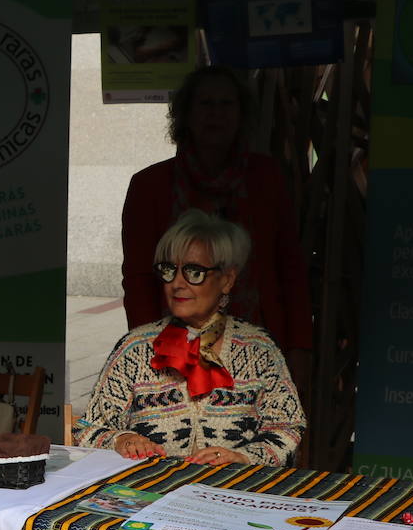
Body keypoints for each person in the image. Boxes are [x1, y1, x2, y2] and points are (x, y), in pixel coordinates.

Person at [119, 65, 313, 384]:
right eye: (206, 104)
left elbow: (289, 269)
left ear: (241, 115)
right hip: (176, 347)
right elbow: (139, 280)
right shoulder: (149, 186)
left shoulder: (266, 178)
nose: (216, 114)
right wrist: (153, 353)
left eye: (226, 104)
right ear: (186, 115)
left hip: (259, 345)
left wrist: (300, 348)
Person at [74, 209, 305, 466]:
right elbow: (88, 430)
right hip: (152, 490)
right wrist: (122, 439)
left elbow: (288, 427)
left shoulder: (258, 349)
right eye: (169, 270)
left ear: (227, 280)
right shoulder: (135, 348)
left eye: (194, 272)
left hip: (232, 491)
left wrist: (243, 456)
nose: (177, 283)